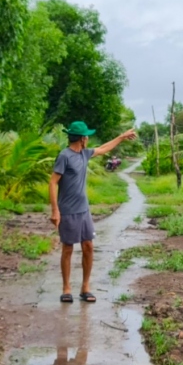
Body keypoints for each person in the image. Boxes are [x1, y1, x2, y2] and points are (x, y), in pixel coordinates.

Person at [49, 120, 135, 303]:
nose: (88, 138)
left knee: (88, 246)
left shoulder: (84, 154)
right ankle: (66, 288)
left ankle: (85, 287)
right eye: (86, 135)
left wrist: (121, 137)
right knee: (68, 248)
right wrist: (55, 210)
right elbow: (53, 182)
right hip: (67, 211)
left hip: (84, 210)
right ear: (82, 139)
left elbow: (104, 149)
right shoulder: (64, 156)